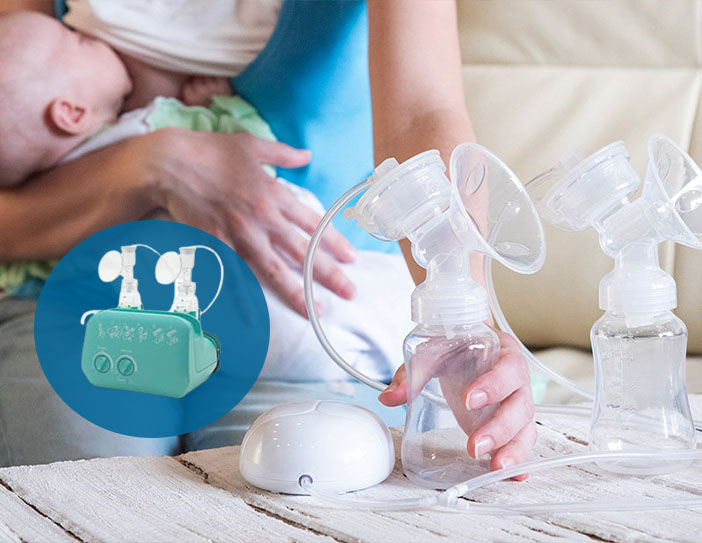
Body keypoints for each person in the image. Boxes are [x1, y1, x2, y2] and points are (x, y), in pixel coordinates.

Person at [0, 0, 536, 478]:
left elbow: (423, 113)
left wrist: (464, 322)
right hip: (84, 303)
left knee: (297, 480)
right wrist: (154, 162)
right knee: (88, 481)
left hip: (311, 320)